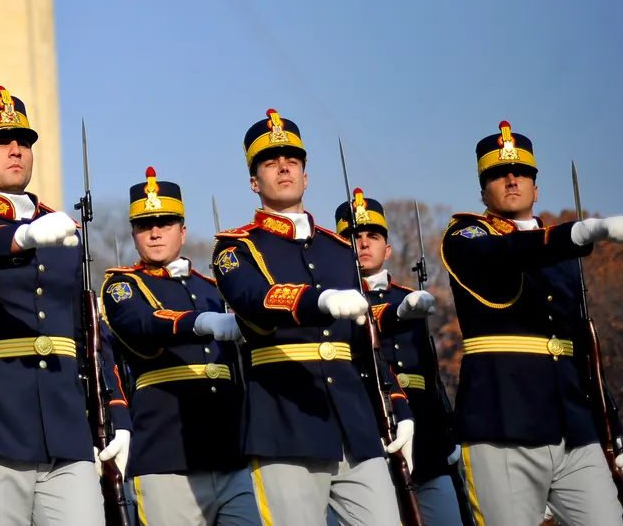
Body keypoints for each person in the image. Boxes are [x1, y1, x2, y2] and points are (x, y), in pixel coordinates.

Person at [0, 85, 125, 525]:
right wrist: (18, 237)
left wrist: (119, 413)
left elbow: (87, 333)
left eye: (24, 141)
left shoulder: (61, 229)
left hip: (64, 425)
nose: (15, 149)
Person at [211, 109, 413, 526]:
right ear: (254, 182)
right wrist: (317, 300)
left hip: (354, 425)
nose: (283, 167)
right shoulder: (236, 249)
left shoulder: (340, 250)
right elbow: (252, 299)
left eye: (293, 161)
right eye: (270, 162)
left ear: (305, 175)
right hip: (284, 422)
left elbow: (365, 346)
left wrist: (398, 404)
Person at [441, 120, 623, 526]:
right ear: (483, 191)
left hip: (575, 427)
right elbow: (504, 252)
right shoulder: (465, 236)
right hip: (501, 424)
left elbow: (583, 344)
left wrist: (613, 421)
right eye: (497, 174)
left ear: (537, 188)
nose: (511, 178)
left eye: (522, 173)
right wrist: (578, 232)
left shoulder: (564, 253)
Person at [101, 167, 258, 525]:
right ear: (134, 234)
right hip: (166, 457)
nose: (155, 232)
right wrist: (201, 321)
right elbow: (142, 323)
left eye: (166, 223)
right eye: (145, 225)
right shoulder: (123, 286)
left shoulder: (214, 289)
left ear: (183, 232)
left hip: (231, 452)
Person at [333, 193, 460, 525]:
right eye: (353, 238)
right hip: (372, 432)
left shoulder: (409, 297)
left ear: (387, 249)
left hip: (426, 437)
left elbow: (428, 372)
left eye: (372, 236)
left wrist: (448, 430)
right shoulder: (335, 303)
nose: (362, 244)